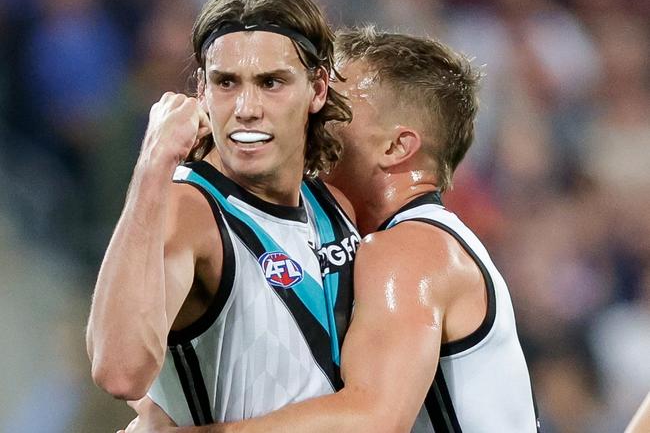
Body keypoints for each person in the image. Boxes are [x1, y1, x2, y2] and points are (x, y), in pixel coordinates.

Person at [122, 27, 541, 433]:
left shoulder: (410, 251)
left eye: (336, 106)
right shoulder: (365, 241)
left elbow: (370, 419)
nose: (313, 115)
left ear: (396, 147)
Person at [86, 0, 360, 427]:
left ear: (318, 88)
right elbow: (120, 371)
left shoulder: (335, 206)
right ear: (201, 91)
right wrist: (154, 165)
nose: (247, 107)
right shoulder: (191, 210)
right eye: (227, 82)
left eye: (271, 82)